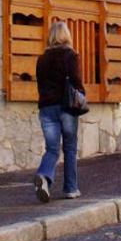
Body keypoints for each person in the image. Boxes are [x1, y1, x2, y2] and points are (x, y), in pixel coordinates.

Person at [33, 21, 85, 203]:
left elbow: (40, 84)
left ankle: (44, 176)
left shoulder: (41, 59)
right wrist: (82, 95)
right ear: (66, 35)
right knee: (70, 148)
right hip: (66, 107)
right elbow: (77, 81)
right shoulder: (70, 55)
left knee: (52, 149)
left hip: (46, 108)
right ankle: (71, 188)